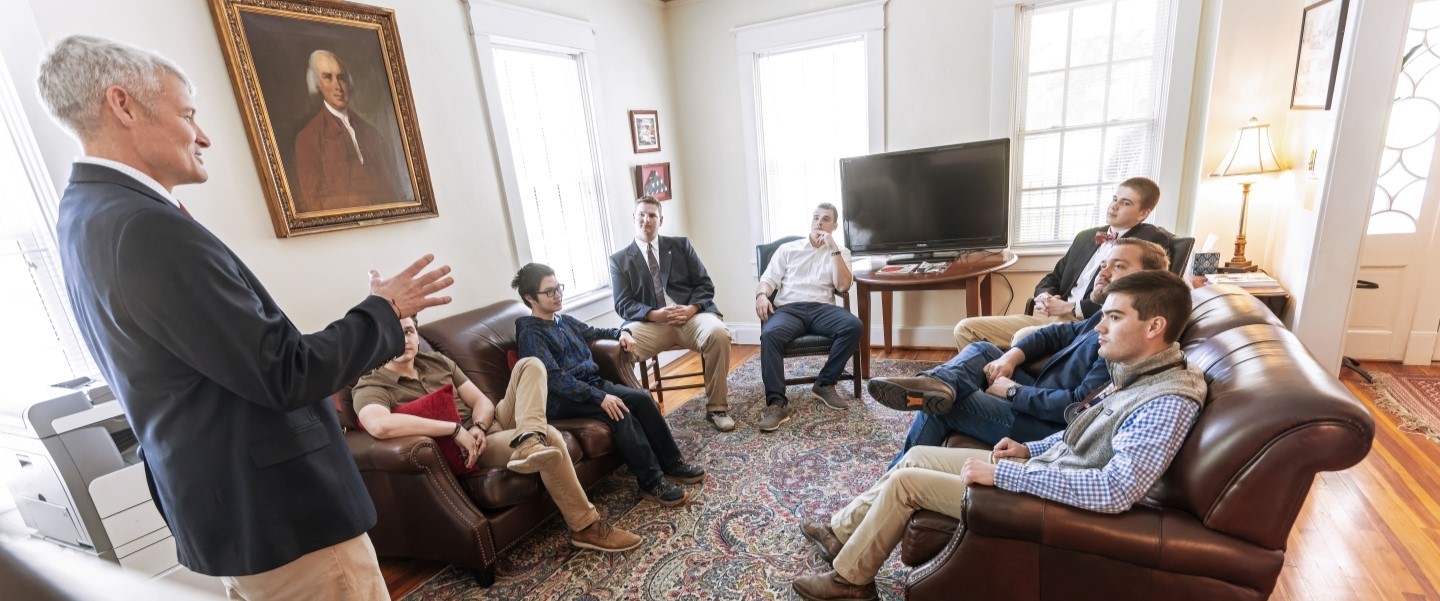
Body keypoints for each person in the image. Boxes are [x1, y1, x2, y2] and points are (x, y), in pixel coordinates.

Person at [39, 35, 454, 599]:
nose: (204, 135)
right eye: (188, 114)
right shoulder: (145, 229)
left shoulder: (84, 214)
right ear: (123, 105)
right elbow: (283, 371)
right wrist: (384, 312)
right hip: (282, 514)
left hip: (232, 510)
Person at [791, 270, 1206, 600]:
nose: (1101, 327)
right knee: (919, 457)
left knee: (907, 482)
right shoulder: (1136, 371)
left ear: (1155, 326)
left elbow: (1113, 491)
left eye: (1115, 318)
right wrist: (1029, 449)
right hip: (1045, 467)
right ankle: (844, 532)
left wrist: (1006, 475)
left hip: (1051, 499)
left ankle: (851, 582)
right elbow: (1080, 429)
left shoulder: (1167, 399)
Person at [352, 316, 642, 552]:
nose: (405, 340)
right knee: (551, 436)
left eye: (409, 331)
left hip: (489, 425)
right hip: (476, 447)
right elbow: (379, 425)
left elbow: (482, 402)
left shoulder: (437, 362)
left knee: (531, 364)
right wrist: (455, 431)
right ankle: (586, 527)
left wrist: (477, 425)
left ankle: (529, 439)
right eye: (395, 334)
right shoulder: (371, 384)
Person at [870, 239, 1171, 466]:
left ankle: (886, 489)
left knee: (945, 407)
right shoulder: (1108, 315)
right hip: (1040, 394)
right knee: (984, 349)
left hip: (1045, 425)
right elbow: (1055, 332)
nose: (1103, 271)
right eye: (1105, 264)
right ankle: (940, 383)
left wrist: (1013, 391)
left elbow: (1078, 406)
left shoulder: (1129, 338)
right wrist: (1010, 356)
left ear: (1148, 278)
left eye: (1118, 266)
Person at [513, 263, 705, 507]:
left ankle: (672, 463)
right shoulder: (530, 334)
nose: (557, 295)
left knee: (642, 398)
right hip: (563, 399)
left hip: (592, 384)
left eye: (558, 288)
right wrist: (600, 398)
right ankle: (651, 482)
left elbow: (596, 330)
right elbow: (555, 379)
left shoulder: (564, 321)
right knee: (620, 412)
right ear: (530, 297)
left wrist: (621, 333)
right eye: (549, 292)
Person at [953, 177, 1172, 351]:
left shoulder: (1148, 242)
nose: (1114, 206)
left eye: (1125, 203)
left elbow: (1133, 297)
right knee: (965, 328)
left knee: (1023, 338)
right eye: (1114, 198)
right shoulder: (1086, 237)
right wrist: (1045, 296)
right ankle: (982, 386)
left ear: (1144, 213)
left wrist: (1071, 307)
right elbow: (1054, 277)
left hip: (1089, 325)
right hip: (1051, 317)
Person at [609, 197, 735, 431]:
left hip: (691, 317)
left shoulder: (680, 246)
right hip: (651, 324)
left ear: (661, 220)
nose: (646, 220)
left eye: (652, 216)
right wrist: (655, 315)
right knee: (619, 351)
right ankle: (640, 413)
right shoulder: (619, 260)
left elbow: (705, 285)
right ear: (633, 218)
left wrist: (691, 309)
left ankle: (717, 408)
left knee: (719, 334)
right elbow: (623, 304)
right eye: (641, 215)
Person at [753, 203, 863, 431]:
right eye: (816, 217)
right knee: (770, 334)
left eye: (825, 219)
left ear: (833, 225)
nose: (819, 222)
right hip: (789, 309)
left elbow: (843, 285)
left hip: (822, 309)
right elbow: (768, 279)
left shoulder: (841, 252)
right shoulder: (788, 249)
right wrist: (762, 295)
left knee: (853, 325)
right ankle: (776, 404)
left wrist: (833, 248)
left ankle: (824, 382)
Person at [292, 49, 408, 213]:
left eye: (341, 78)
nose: (337, 86)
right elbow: (314, 203)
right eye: (327, 77)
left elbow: (393, 188)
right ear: (317, 84)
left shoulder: (371, 133)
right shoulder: (307, 138)